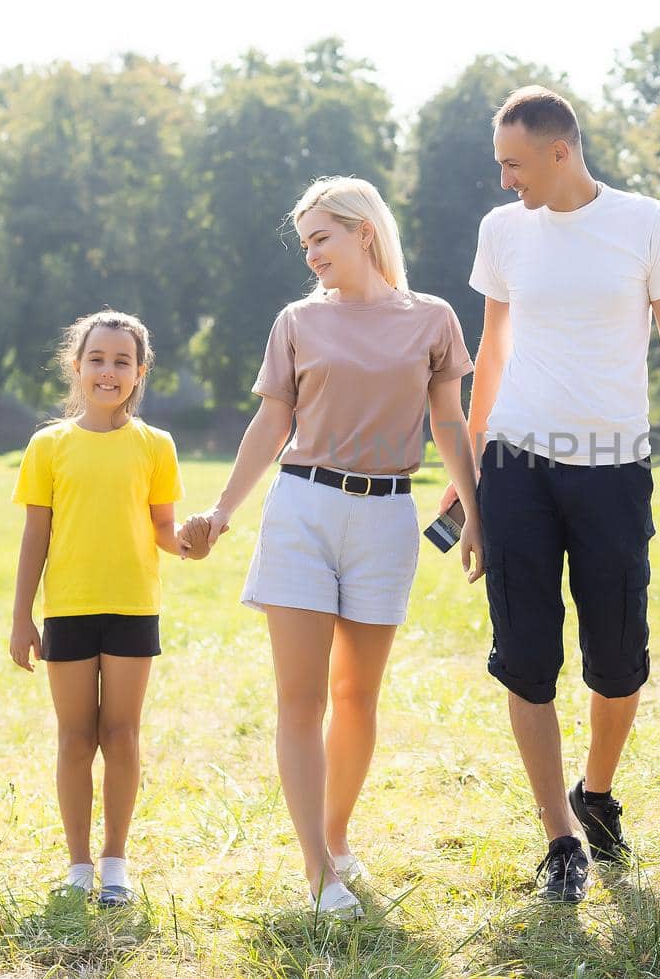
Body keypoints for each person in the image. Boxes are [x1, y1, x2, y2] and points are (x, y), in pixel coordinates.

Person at [441, 86, 660, 902]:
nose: (505, 180)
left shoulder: (646, 222)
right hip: (516, 469)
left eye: (513, 162)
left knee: (618, 662)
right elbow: (490, 350)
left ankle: (595, 790)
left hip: (612, 469)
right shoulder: (503, 232)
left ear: (559, 150)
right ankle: (560, 840)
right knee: (526, 659)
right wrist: (468, 478)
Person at [183, 176, 482, 920]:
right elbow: (270, 423)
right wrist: (224, 508)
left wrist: (477, 510)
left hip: (386, 517)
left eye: (322, 236)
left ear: (364, 233)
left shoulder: (433, 319)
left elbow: (450, 422)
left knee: (357, 696)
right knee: (300, 697)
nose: (311, 252)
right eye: (307, 239)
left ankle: (335, 835)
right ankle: (318, 870)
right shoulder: (296, 321)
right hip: (303, 510)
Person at [9, 309, 191, 907]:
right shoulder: (48, 445)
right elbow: (36, 534)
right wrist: (20, 617)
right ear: (76, 365)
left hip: (134, 608)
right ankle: (79, 864)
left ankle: (115, 860)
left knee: (122, 734)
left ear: (139, 372)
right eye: (97, 359)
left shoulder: (156, 446)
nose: (108, 371)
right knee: (74, 739)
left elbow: (163, 529)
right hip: (68, 610)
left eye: (121, 361)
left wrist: (190, 538)